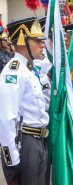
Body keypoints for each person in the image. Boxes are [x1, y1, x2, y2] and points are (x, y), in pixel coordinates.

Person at [0, 16, 49, 185]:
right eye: (37, 40)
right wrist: (12, 161)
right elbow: (6, 119)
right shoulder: (13, 72)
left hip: (38, 141)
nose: (42, 44)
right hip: (25, 143)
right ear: (22, 41)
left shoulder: (29, 69)